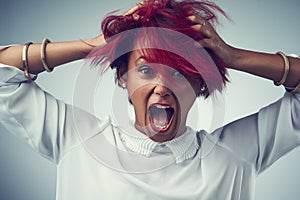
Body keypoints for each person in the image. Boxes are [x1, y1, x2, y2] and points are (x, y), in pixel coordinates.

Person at [0, 0, 299, 199]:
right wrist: (95, 45)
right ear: (122, 78)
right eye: (145, 70)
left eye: (180, 72)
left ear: (200, 84)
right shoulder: (76, 139)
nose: (161, 86)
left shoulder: (236, 153)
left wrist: (232, 56)